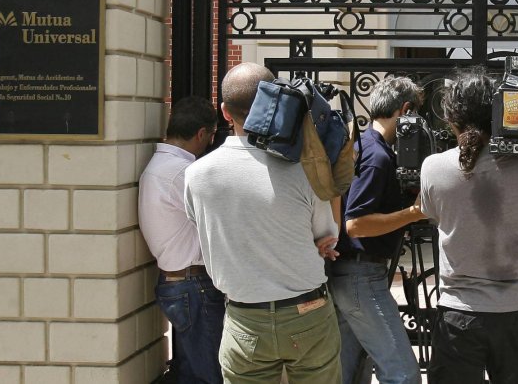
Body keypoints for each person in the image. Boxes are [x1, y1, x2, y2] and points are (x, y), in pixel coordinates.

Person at [184, 62, 342, 384]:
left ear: (225, 113)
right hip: (307, 310)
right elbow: (327, 236)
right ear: (275, 102)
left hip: (245, 317)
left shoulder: (196, 174)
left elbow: (200, 222)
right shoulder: (302, 171)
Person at [418, 66, 518, 384]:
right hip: (516, 308)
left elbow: (436, 215)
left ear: (452, 118)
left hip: (459, 311)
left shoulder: (434, 167)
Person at [331, 76, 426, 384]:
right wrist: (412, 214)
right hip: (361, 275)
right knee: (403, 373)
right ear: (406, 110)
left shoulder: (367, 147)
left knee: (350, 371)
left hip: (350, 275)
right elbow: (356, 224)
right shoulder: (377, 155)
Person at [139, 95, 223, 384]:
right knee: (211, 374)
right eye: (212, 135)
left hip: (178, 282)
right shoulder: (184, 172)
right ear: (202, 134)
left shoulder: (160, 164)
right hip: (194, 285)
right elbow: (219, 222)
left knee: (192, 372)